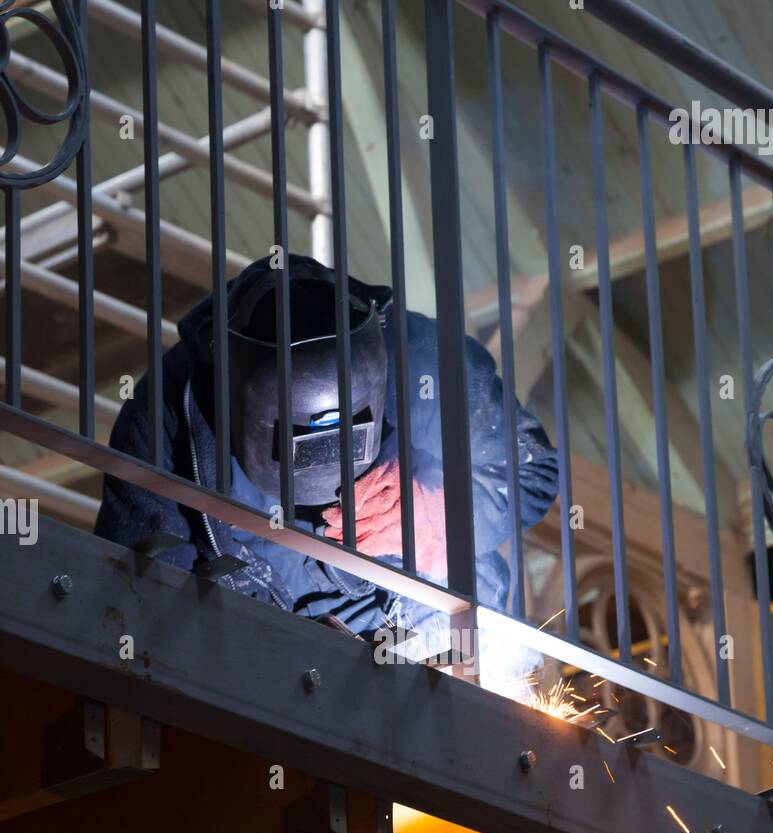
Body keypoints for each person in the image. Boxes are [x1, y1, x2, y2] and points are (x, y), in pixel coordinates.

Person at [96, 254, 559, 645]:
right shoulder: (165, 415)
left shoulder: (421, 360)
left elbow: (531, 468)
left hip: (420, 615)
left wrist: (439, 517)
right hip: (273, 648)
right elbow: (141, 595)